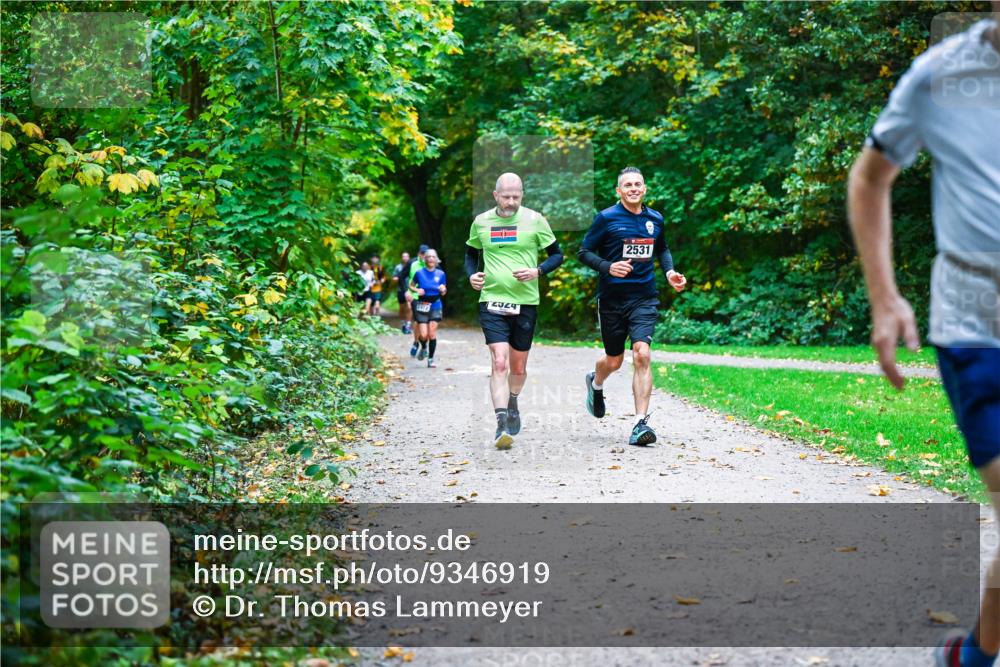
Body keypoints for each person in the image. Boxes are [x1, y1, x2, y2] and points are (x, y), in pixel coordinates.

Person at [846, 11, 999, 667]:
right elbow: (870, 177)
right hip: (975, 325)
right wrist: (885, 299)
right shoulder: (940, 76)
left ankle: (976, 654)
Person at [578, 167, 687, 447]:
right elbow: (584, 251)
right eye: (628, 185)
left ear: (645, 188)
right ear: (619, 191)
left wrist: (669, 272)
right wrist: (608, 266)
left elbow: (661, 248)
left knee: (642, 354)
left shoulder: (655, 219)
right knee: (613, 361)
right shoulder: (606, 218)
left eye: (638, 184)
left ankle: (640, 424)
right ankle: (596, 382)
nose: (633, 188)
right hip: (612, 300)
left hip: (644, 298)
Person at [465, 172, 564, 450]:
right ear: (495, 195)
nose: (511, 202)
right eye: (506, 197)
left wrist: (538, 270)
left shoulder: (535, 220)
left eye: (516, 197)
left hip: (526, 303)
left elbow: (557, 254)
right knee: (499, 361)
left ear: (522, 195)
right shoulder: (481, 222)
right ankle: (500, 424)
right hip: (492, 300)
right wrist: (472, 275)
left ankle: (513, 401)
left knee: (518, 367)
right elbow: (471, 254)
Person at [410, 249, 447, 368]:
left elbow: (444, 290)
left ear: (436, 260)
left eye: (433, 257)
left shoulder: (441, 274)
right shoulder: (419, 273)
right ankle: (424, 347)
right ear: (424, 259)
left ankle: (430, 359)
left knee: (431, 334)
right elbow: (411, 285)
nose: (431, 259)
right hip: (422, 305)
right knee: (423, 335)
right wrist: (417, 290)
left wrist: (443, 289)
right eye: (428, 257)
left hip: (436, 305)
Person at [405, 246, 428, 357]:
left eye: (426, 254)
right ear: (419, 253)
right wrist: (407, 292)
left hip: (429, 297)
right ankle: (417, 343)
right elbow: (403, 277)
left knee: (427, 323)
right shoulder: (413, 264)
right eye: (422, 253)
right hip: (416, 296)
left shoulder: (433, 264)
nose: (424, 256)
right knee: (419, 321)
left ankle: (423, 345)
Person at [393, 252, 412, 333]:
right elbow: (394, 277)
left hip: (410, 289)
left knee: (409, 307)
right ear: (401, 258)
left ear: (409, 257)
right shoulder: (398, 267)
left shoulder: (412, 266)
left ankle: (408, 326)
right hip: (401, 290)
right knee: (402, 308)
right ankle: (402, 324)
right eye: (403, 256)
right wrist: (397, 278)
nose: (405, 258)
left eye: (406, 256)